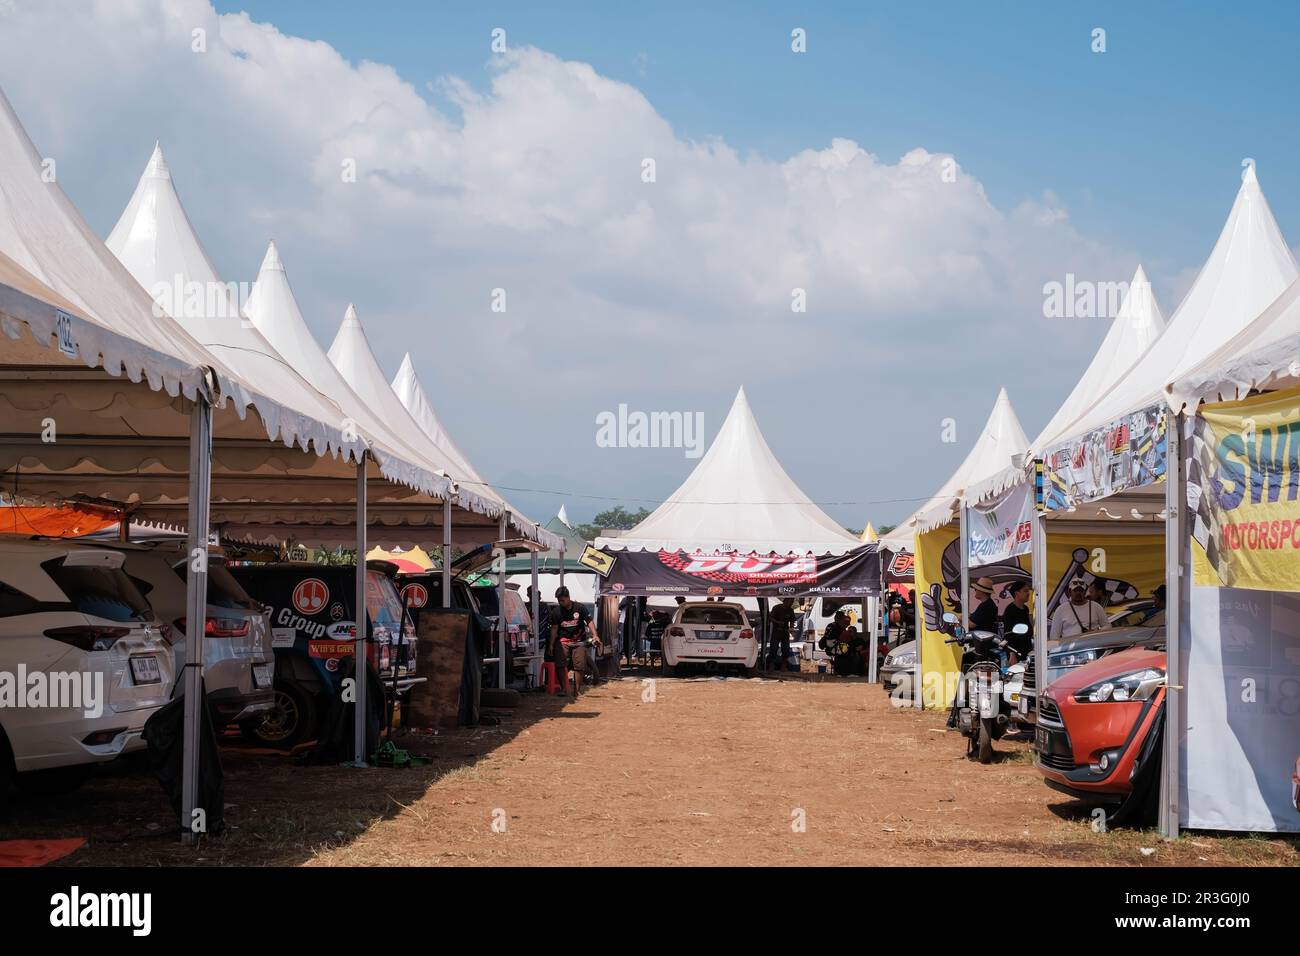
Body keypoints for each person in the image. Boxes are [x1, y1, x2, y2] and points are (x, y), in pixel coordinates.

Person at [550, 586, 602, 690]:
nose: (560, 602)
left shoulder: (580, 608)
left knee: (579, 666)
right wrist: (551, 645)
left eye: (562, 600)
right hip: (563, 642)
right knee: (560, 665)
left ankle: (577, 690)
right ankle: (565, 689)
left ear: (568, 597)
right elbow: (554, 629)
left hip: (579, 641)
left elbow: (589, 621)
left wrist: (595, 635)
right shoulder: (556, 612)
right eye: (558, 600)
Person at [1000, 580, 1033, 661]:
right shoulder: (1010, 610)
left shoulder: (1025, 609)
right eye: (1025, 591)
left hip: (1027, 648)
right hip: (1016, 651)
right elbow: (1008, 633)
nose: (1028, 593)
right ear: (1017, 593)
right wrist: (1012, 654)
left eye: (1028, 591)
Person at [768, 598, 796, 669]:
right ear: (785, 601)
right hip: (776, 632)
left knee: (786, 649)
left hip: (785, 632)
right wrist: (777, 622)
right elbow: (770, 618)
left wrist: (791, 630)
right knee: (773, 648)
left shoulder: (790, 610)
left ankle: (784, 665)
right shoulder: (776, 608)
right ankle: (771, 664)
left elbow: (792, 621)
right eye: (790, 602)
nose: (791, 604)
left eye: (792, 602)